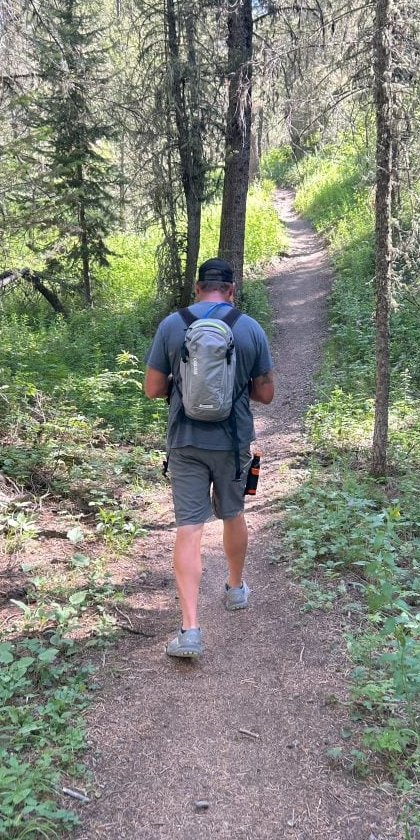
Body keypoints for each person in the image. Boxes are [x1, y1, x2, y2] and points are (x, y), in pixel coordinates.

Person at [144, 258, 275, 659]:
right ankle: (235, 588)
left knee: (189, 528)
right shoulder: (249, 328)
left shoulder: (172, 325)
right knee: (232, 514)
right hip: (233, 441)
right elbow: (266, 394)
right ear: (232, 290)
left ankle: (190, 630)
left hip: (185, 441)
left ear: (198, 288)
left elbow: (152, 389)